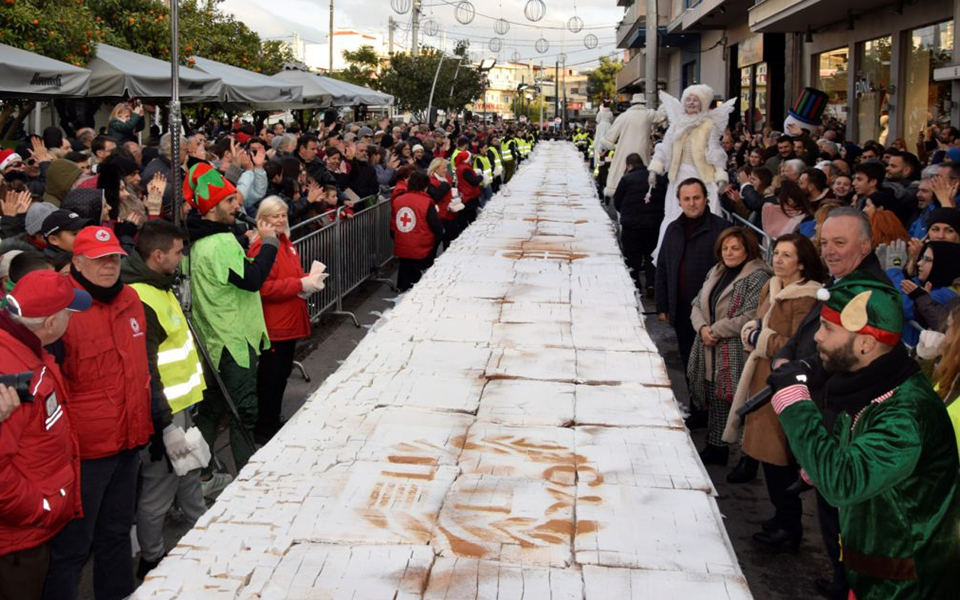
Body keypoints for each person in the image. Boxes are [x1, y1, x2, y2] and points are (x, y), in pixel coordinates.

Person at [767, 276, 960, 600]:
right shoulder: (870, 386)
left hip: (910, 584)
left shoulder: (906, 414)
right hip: (876, 573)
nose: (817, 337)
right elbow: (855, 447)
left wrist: (794, 401)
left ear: (866, 343)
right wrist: (817, 464)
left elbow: (843, 481)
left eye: (829, 329)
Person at [774, 206, 891, 600]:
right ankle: (842, 581)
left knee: (843, 515)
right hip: (827, 410)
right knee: (832, 518)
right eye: (825, 242)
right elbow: (810, 329)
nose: (830, 251)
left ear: (866, 244)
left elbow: (840, 360)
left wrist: (797, 372)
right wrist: (787, 356)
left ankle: (848, 586)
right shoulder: (841, 280)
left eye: (840, 243)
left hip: (842, 421)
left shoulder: (868, 291)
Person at [44, 226, 163, 600]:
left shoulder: (130, 300)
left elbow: (145, 367)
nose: (109, 266)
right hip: (84, 454)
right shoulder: (61, 308)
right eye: (99, 260)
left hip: (129, 442)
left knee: (115, 536)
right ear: (77, 262)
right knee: (74, 549)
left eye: (113, 258)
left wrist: (158, 421)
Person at [118, 220, 207, 579]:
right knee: (160, 485)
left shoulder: (160, 285)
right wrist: (165, 423)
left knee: (188, 474)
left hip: (180, 405)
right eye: (177, 252)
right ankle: (153, 558)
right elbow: (148, 369)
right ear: (157, 256)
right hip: (163, 414)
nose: (181, 257)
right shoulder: (143, 298)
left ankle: (203, 526)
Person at [724, 234, 824, 548]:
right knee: (769, 458)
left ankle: (788, 526)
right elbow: (756, 323)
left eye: (786, 255)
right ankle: (781, 516)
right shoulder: (773, 285)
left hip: (782, 385)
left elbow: (797, 346)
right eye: (776, 252)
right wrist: (753, 333)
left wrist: (760, 338)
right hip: (762, 376)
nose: (778, 259)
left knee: (780, 457)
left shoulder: (807, 298)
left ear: (803, 263)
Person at [0, 271, 90, 600]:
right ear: (51, 322)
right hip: (17, 540)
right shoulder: (13, 375)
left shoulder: (23, 350)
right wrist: (39, 508)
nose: (71, 319)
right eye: (68, 312)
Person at [184, 163, 277, 472]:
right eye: (229, 202)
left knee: (211, 410)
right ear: (211, 208)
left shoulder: (200, 242)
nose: (237, 207)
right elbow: (251, 279)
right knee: (243, 412)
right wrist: (269, 246)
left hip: (213, 340)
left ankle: (201, 473)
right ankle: (246, 474)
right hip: (232, 340)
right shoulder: (220, 243)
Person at [687, 227, 771, 465]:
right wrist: (702, 328)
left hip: (736, 349)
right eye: (725, 248)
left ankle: (748, 459)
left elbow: (751, 316)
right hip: (709, 344)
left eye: (735, 248)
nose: (729, 253)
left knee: (740, 401)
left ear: (748, 249)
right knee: (716, 397)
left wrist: (714, 330)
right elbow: (697, 303)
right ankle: (716, 446)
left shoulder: (758, 276)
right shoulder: (717, 270)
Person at [248, 198, 326, 442]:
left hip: (288, 320)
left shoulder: (284, 243)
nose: (281, 220)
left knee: (280, 374)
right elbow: (263, 288)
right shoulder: (263, 247)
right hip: (275, 324)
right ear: (263, 219)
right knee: (271, 377)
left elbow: (288, 275)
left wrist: (306, 280)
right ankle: (265, 426)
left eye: (283, 215)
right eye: (275, 216)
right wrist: (299, 284)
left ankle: (272, 419)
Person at [655, 178, 731, 425]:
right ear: (679, 201)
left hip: (712, 315)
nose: (692, 203)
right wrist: (663, 305)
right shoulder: (673, 229)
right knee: (689, 363)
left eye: (696, 197)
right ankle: (698, 410)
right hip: (682, 310)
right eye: (686, 199)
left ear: (705, 198)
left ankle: (716, 416)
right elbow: (664, 268)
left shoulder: (720, 229)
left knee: (714, 368)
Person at [649, 85, 736, 262]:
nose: (691, 102)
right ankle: (672, 252)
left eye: (695, 99)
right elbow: (665, 148)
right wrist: (655, 168)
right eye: (688, 99)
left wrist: (720, 174)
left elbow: (715, 151)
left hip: (702, 176)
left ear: (703, 103)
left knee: (705, 212)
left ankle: (704, 251)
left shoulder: (708, 125)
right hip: (678, 175)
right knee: (675, 213)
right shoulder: (677, 124)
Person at [613, 153, 661, 295]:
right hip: (653, 225)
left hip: (632, 226)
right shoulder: (655, 178)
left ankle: (636, 285)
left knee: (632, 257)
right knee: (650, 255)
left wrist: (626, 213)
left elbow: (617, 201)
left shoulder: (626, 179)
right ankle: (651, 284)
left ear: (629, 166)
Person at [601, 94, 663, 197]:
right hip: (642, 150)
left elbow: (610, 138)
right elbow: (662, 115)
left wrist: (608, 145)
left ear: (632, 104)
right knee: (643, 174)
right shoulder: (648, 114)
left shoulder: (624, 116)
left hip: (625, 150)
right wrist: (665, 105)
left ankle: (620, 192)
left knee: (621, 172)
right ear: (644, 103)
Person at [391, 171, 442, 292]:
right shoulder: (427, 202)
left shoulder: (398, 200)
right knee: (417, 277)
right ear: (425, 186)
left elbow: (393, 223)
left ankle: (401, 288)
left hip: (402, 242)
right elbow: (434, 224)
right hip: (421, 244)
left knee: (404, 268)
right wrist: (441, 232)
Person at [454, 150, 483, 230]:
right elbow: (474, 181)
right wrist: (481, 177)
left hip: (465, 193)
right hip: (469, 195)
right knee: (471, 216)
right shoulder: (465, 169)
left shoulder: (459, 167)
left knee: (466, 215)